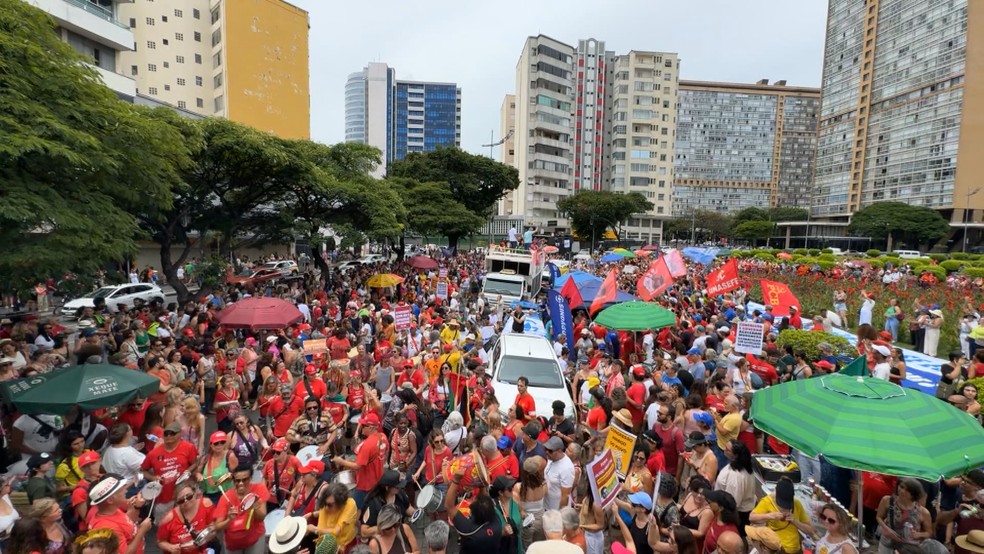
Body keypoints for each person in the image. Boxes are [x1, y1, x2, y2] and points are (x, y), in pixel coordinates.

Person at [141, 421, 199, 520]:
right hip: (164, 498)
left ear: (180, 434)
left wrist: (188, 471)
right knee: (164, 524)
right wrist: (153, 477)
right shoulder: (153, 454)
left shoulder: (189, 448)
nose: (168, 436)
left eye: (172, 433)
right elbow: (142, 470)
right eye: (166, 433)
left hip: (185, 495)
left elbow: (195, 463)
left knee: (189, 521)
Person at [85, 474, 152, 554]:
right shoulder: (107, 527)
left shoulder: (112, 511)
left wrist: (136, 506)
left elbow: (126, 522)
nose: (126, 491)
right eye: (120, 490)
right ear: (110, 500)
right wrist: (142, 531)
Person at [332, 411, 386, 510]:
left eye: (364, 425)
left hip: (365, 484)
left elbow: (358, 466)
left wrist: (341, 462)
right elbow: (385, 455)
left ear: (370, 427)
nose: (361, 426)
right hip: (378, 479)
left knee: (356, 509)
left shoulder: (367, 445)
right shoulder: (383, 437)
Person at [750, 477, 815, 554]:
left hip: (795, 550)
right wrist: (769, 516)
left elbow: (810, 531)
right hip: (776, 549)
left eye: (787, 506)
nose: (784, 509)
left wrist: (795, 521)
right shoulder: (767, 501)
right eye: (782, 505)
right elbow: (752, 518)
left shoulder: (797, 503)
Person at [213, 467, 270, 554]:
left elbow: (261, 517)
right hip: (233, 544)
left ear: (251, 478)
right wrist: (229, 519)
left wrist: (254, 508)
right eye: (237, 480)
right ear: (233, 480)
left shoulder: (259, 489)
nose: (240, 483)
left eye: (245, 480)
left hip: (255, 540)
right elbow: (217, 526)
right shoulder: (226, 497)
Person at [156, 480, 216, 554]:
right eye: (181, 500)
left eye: (189, 497)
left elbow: (213, 528)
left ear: (195, 494)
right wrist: (171, 548)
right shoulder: (169, 518)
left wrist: (202, 540)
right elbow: (160, 542)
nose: (186, 501)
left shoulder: (206, 504)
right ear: (177, 502)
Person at [875, 477, 933, 554]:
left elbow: (929, 532)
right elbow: (879, 517)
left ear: (913, 494)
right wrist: (886, 529)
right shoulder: (887, 500)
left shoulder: (923, 512)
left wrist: (918, 534)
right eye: (901, 487)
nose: (901, 490)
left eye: (907, 490)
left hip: (908, 548)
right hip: (887, 543)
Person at [715, 440, 756, 531]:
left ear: (735, 455)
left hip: (736, 514)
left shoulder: (735, 476)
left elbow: (733, 501)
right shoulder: (743, 466)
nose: (724, 449)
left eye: (727, 449)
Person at [447, 486, 502, 554]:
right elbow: (485, 501)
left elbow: (449, 506)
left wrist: (455, 481)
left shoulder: (469, 531)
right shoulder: (497, 522)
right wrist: (481, 483)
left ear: (473, 513)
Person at [360, 469, 412, 538]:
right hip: (383, 539)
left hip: (399, 536)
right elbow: (364, 531)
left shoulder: (400, 494)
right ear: (387, 488)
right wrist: (387, 527)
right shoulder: (374, 504)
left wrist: (415, 513)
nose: (400, 488)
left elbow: (408, 508)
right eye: (397, 487)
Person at [309, 482, 358, 551]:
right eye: (324, 503)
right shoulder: (328, 504)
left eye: (329, 505)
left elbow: (335, 532)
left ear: (340, 503)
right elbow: (323, 511)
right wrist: (311, 514)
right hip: (325, 544)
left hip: (343, 545)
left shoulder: (350, 505)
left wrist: (314, 529)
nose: (325, 507)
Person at [100, 424, 145, 494]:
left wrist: (134, 449)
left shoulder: (108, 449)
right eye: (130, 429)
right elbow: (144, 467)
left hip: (115, 487)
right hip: (130, 488)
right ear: (127, 434)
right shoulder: (128, 453)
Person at [196, 430, 238, 504]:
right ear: (211, 445)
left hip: (225, 494)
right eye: (216, 443)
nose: (219, 445)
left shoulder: (229, 456)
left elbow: (238, 474)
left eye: (222, 442)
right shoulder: (206, 458)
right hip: (208, 495)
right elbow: (197, 472)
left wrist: (230, 476)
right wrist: (199, 476)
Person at [263, 438, 302, 511]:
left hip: (287, 498)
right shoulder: (269, 463)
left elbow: (303, 476)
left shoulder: (294, 461)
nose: (275, 454)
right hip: (271, 498)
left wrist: (296, 489)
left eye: (278, 452)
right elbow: (264, 478)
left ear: (286, 451)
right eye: (273, 452)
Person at [702, 489, 739, 554]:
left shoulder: (729, 532)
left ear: (721, 508)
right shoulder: (716, 517)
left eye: (712, 501)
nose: (709, 501)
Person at [543, 436, 575, 510]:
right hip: (546, 506)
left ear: (559, 451)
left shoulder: (566, 468)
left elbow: (565, 496)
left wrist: (559, 514)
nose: (547, 452)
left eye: (550, 451)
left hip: (556, 510)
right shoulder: (551, 458)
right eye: (546, 449)